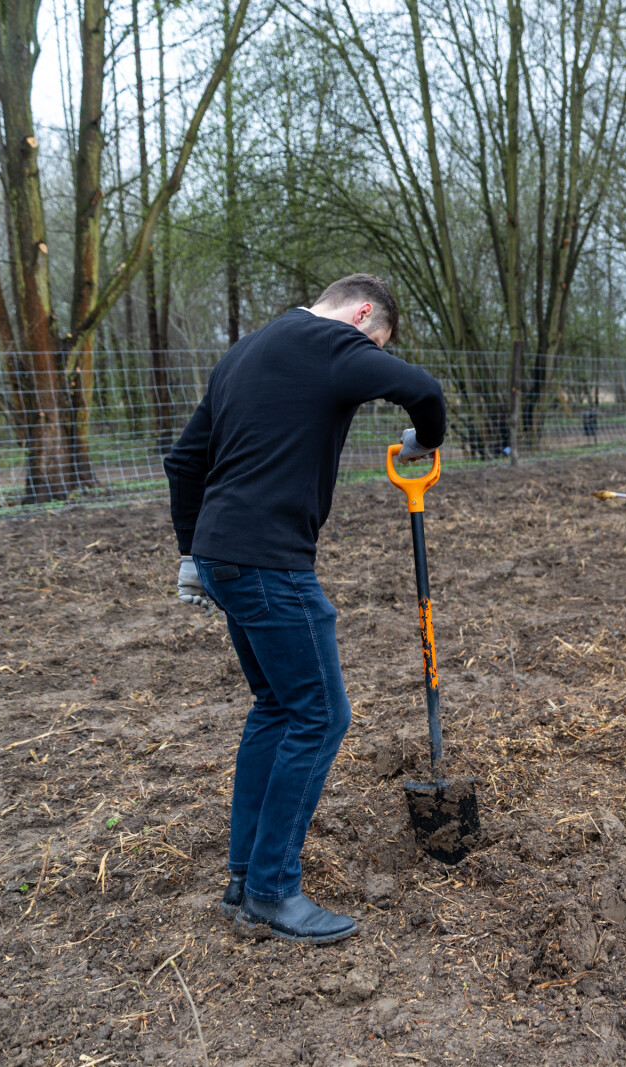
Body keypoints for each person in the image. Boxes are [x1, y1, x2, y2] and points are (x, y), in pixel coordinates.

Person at [164, 274, 446, 945]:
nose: (370, 357)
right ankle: (272, 890)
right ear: (366, 312)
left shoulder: (243, 352)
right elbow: (425, 391)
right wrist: (422, 442)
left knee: (277, 708)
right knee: (321, 714)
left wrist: (192, 553)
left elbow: (183, 462)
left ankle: (244, 881)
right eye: (376, 343)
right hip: (270, 559)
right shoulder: (331, 341)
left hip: (226, 556)